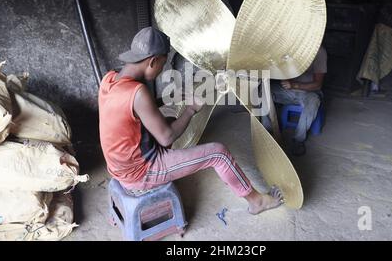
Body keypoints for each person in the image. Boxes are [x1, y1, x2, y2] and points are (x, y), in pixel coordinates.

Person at [98, 26, 283, 215]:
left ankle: (169, 164)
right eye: (163, 65)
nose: (162, 70)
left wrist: (168, 98)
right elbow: (166, 138)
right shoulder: (138, 93)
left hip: (119, 166)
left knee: (169, 118)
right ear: (153, 61)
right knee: (218, 154)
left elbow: (133, 109)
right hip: (141, 172)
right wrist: (191, 109)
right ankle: (256, 201)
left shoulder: (110, 79)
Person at [263, 46, 327, 156]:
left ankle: (298, 140)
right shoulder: (290, 46)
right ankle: (269, 133)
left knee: (313, 101)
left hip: (309, 92)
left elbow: (318, 84)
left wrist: (294, 85)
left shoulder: (319, 51)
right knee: (262, 92)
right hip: (288, 91)